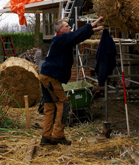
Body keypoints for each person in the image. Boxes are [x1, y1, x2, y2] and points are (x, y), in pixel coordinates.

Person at [39, 17, 104, 146]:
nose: (69, 27)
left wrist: (92, 30)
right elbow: (75, 35)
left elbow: (76, 38)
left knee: (49, 106)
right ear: (61, 29)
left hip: (45, 76)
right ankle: (58, 135)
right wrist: (90, 25)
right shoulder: (61, 38)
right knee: (64, 104)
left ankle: (46, 137)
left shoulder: (61, 39)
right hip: (51, 77)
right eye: (67, 26)